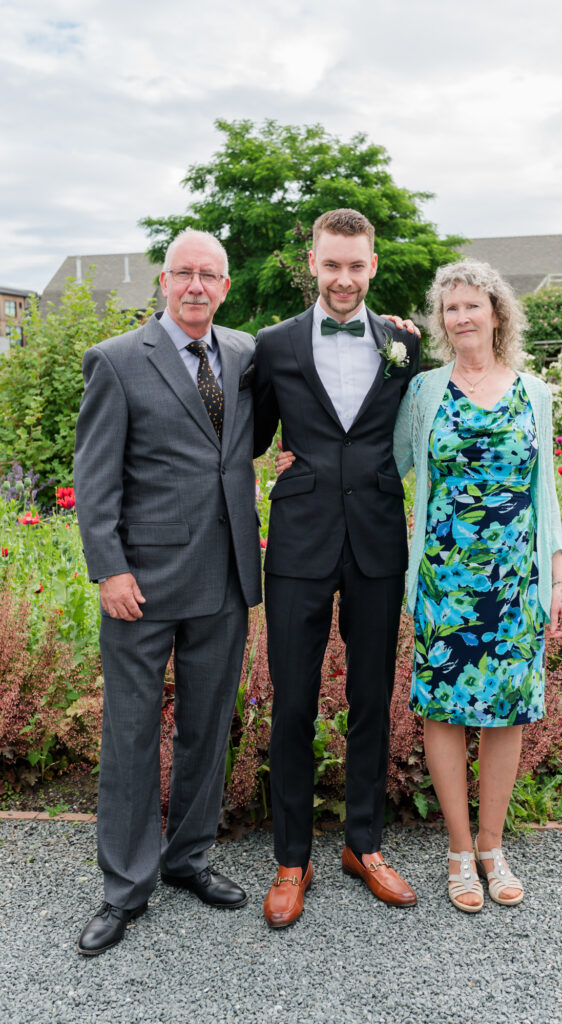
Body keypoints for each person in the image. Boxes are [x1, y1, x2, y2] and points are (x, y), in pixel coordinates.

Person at [73, 229, 261, 955]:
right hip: (141, 585)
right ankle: (124, 887)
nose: (195, 286)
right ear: (162, 280)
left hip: (223, 578)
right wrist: (108, 568)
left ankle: (188, 860)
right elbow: (95, 479)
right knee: (130, 734)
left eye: (208, 275)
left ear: (225, 285)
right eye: (183, 273)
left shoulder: (245, 354)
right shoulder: (119, 361)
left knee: (207, 730)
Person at [253, 208, 420, 928]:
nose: (344, 278)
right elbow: (252, 437)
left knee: (371, 698)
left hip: (378, 539)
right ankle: (293, 857)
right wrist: (275, 469)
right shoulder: (275, 344)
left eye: (356, 265)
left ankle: (364, 844)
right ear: (313, 265)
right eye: (332, 265)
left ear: (372, 266)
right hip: (298, 541)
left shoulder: (405, 346)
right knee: (290, 703)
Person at [393, 259, 562, 912]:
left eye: (473, 305)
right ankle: (459, 851)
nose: (462, 317)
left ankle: (494, 848)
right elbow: (388, 464)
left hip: (514, 581)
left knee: (506, 714)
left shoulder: (534, 392)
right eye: (450, 308)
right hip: (446, 579)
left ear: (497, 313)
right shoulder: (426, 393)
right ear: (441, 322)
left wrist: (557, 581)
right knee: (443, 710)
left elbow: (544, 490)